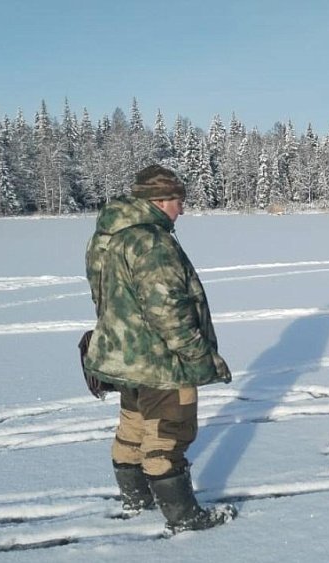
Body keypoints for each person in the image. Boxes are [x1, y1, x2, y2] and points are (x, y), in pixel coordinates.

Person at [83, 164, 236, 533]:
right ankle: (184, 517)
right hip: (160, 361)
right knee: (168, 434)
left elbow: (101, 296)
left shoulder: (108, 234)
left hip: (122, 356)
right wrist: (196, 356)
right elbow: (168, 309)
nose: (182, 209)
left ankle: (137, 501)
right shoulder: (152, 241)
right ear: (162, 200)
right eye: (180, 201)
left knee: (133, 427)